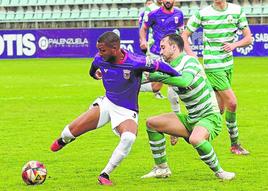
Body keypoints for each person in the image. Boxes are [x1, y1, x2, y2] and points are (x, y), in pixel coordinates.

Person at [50, 31, 179, 186]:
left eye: (103, 50)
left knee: (129, 138)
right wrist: (95, 74)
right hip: (107, 103)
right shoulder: (100, 58)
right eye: (99, 49)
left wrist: (179, 76)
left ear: (115, 48)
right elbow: (93, 68)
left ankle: (105, 174)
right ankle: (64, 140)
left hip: (127, 110)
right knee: (68, 132)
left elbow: (160, 66)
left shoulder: (136, 61)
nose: (99, 53)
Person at [142, 34, 235, 180]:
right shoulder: (166, 66)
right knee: (151, 123)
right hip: (191, 119)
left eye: (163, 47)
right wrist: (117, 77)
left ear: (174, 47)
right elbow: (147, 80)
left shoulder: (189, 60)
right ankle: (161, 169)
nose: (160, 51)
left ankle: (221, 172)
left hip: (209, 117)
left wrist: (157, 77)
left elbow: (185, 81)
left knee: (196, 139)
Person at [181, 0, 252, 155]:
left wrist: (234, 45)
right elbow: (184, 35)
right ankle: (235, 144)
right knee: (232, 103)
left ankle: (185, 130)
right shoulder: (203, 13)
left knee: (217, 110)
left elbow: (248, 38)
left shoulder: (236, 11)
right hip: (213, 65)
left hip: (228, 64)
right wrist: (192, 55)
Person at [140, 0, 184, 144]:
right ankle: (130, 86)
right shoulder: (153, 14)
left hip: (172, 54)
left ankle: (176, 125)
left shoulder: (179, 14)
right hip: (156, 54)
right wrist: (143, 41)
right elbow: (143, 29)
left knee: (174, 85)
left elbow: (182, 33)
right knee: (156, 87)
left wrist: (184, 50)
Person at [139, 0, 166, 99]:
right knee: (156, 84)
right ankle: (129, 86)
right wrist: (143, 40)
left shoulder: (171, 10)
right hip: (154, 48)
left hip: (169, 49)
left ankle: (176, 111)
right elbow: (143, 27)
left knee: (162, 83)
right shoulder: (150, 9)